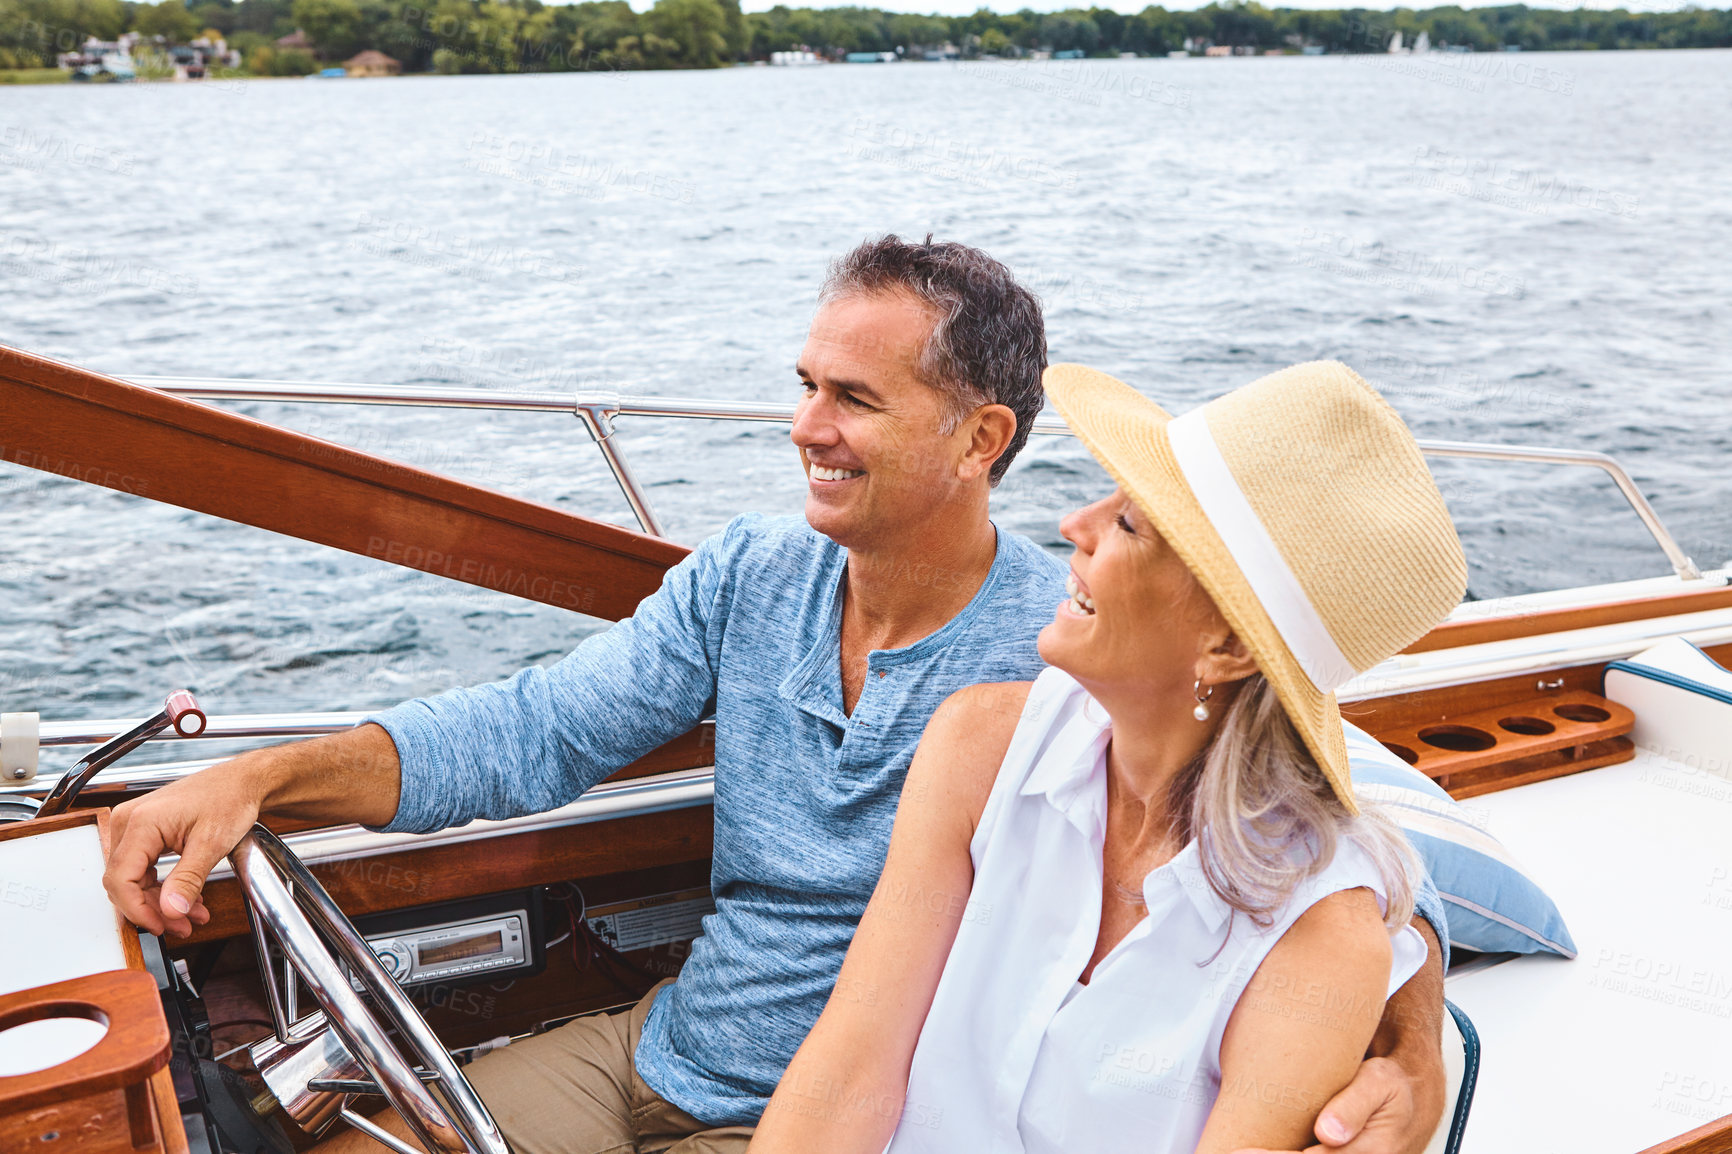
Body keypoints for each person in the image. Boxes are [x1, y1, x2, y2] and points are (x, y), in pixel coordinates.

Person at [102, 238, 1450, 1154]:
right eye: (805, 385)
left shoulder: (1065, 657)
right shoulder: (757, 575)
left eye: (852, 398)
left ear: (978, 439)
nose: (805, 426)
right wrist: (259, 776)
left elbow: (1344, 820)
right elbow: (536, 731)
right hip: (670, 1037)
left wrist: (1410, 1010)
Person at [750, 360, 1468, 1154]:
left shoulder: (1320, 940)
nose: (1075, 523)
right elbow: (850, 1073)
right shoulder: (978, 746)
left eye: (1129, 523)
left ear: (1226, 644)